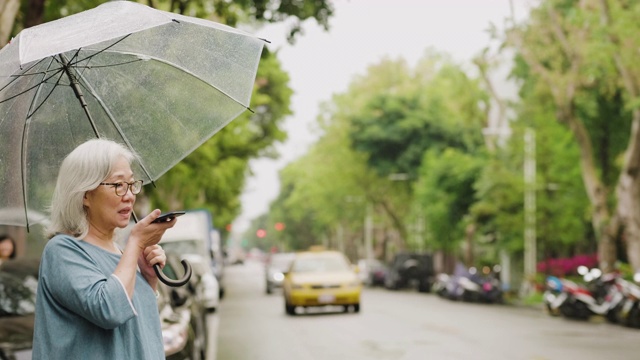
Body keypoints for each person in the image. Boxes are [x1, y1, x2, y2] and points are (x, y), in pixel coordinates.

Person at [32, 138, 177, 359]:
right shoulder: (61, 251)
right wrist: (136, 243)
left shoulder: (120, 253)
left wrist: (149, 280)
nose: (129, 195)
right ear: (85, 194)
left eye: (131, 184)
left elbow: (142, 332)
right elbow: (110, 310)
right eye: (118, 185)